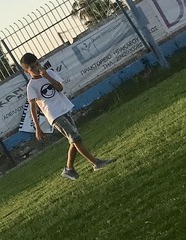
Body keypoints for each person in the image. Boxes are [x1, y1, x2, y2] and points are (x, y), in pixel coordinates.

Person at [21, 52, 115, 180]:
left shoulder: (49, 73)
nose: (37, 68)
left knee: (73, 140)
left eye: (37, 64)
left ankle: (69, 169)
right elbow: (33, 107)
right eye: (32, 67)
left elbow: (59, 88)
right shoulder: (31, 86)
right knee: (76, 138)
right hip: (54, 115)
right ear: (27, 71)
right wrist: (37, 127)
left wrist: (47, 76)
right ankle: (96, 163)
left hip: (64, 108)